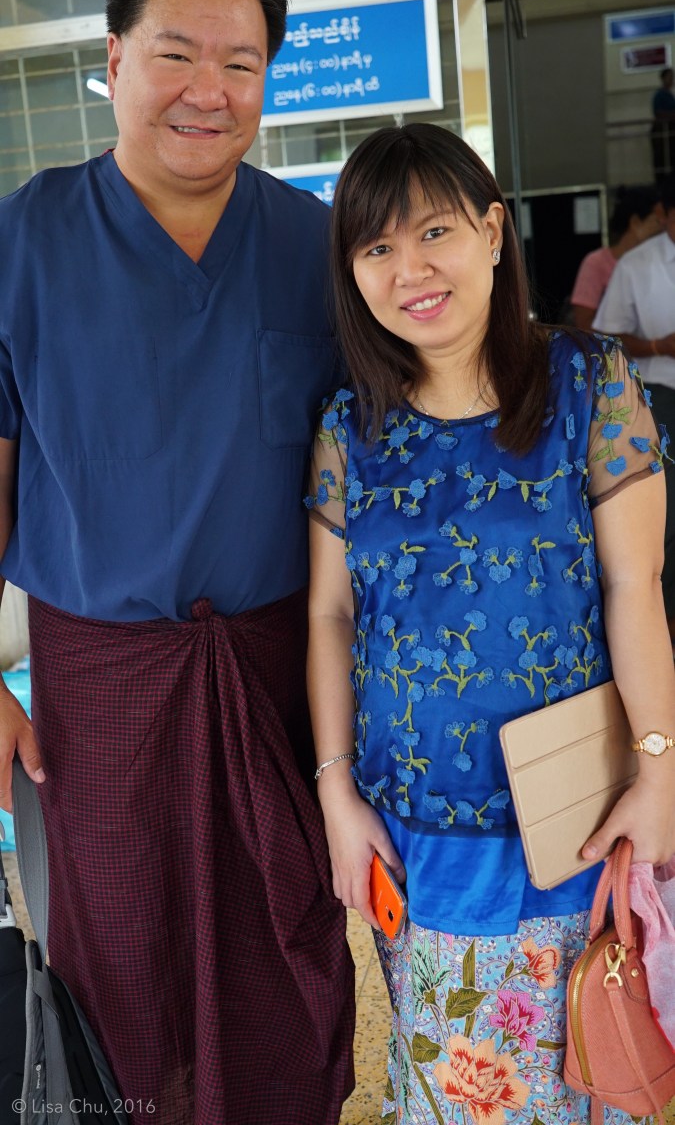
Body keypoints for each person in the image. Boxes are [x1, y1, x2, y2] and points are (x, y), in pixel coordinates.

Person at [0, 0, 355, 1123]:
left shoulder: (317, 248)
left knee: (290, 970)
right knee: (122, 988)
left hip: (278, 678)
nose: (210, 89)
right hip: (98, 693)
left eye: (241, 63)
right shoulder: (22, 243)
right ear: (114, 60)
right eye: (176, 54)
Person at [305, 123, 675, 1124]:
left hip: (572, 814)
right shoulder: (349, 428)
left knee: (587, 1067)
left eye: (435, 232)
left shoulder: (590, 385)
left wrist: (659, 770)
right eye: (377, 246)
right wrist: (335, 791)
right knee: (451, 1088)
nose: (410, 269)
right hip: (414, 826)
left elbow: (635, 586)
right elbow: (331, 614)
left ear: (495, 231)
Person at [593, 174, 675, 647]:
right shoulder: (637, 265)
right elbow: (607, 335)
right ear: (664, 215)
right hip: (662, 394)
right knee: (665, 516)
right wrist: (660, 344)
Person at [569, 184, 662, 332]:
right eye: (657, 221)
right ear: (635, 222)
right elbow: (584, 324)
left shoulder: (656, 262)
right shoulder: (596, 262)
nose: (662, 228)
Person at [651, 67, 675, 182]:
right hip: (662, 131)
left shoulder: (669, 95)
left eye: (672, 77)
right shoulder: (659, 95)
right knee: (661, 159)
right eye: (669, 77)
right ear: (663, 78)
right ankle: (662, 184)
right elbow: (658, 113)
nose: (671, 80)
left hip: (670, 131)